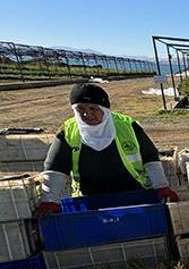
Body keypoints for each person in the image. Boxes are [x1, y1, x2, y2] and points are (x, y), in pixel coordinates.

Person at [35, 83, 178, 216]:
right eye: (81, 109)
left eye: (93, 108)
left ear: (104, 108)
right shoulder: (68, 132)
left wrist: (161, 186)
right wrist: (50, 200)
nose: (87, 114)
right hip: (89, 199)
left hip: (133, 193)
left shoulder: (127, 126)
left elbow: (149, 157)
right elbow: (56, 168)